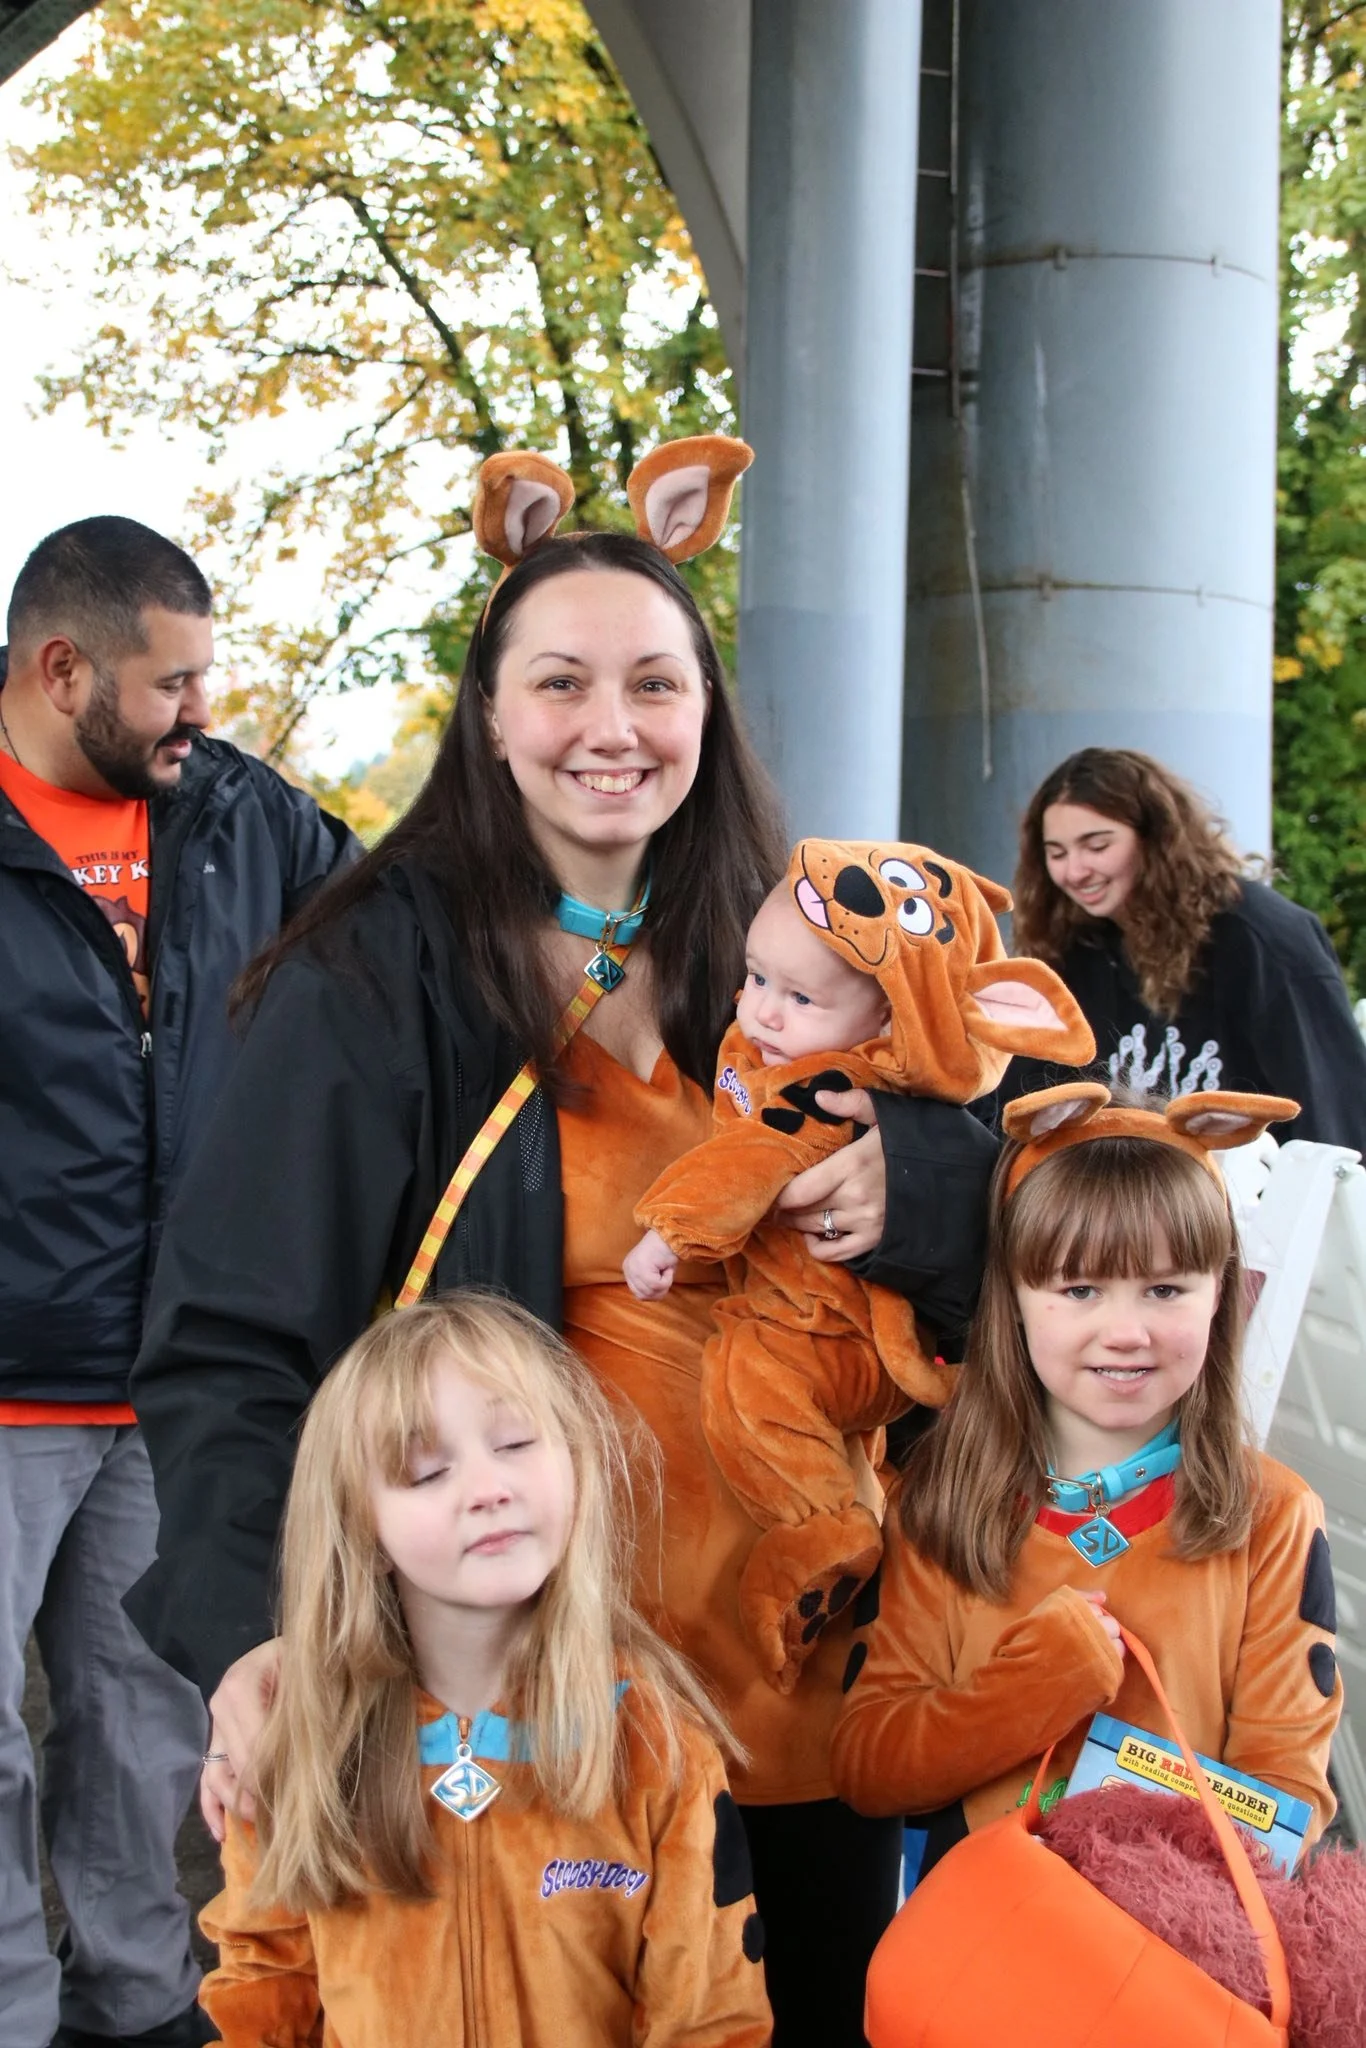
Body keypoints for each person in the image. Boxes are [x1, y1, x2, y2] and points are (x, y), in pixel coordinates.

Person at [127, 437, 998, 2046]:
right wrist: (257, 1639)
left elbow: (1002, 1173)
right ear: (490, 713)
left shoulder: (807, 943)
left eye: (656, 686)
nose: (612, 729)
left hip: (802, 1700)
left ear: (706, 710)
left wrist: (923, 1176)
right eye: (561, 684)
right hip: (533, 1722)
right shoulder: (369, 979)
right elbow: (231, 1346)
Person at [0, 515, 355, 2048]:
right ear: (61, 668)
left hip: (166, 1378)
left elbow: (418, 930)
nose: (198, 711)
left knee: (147, 1735)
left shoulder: (241, 818)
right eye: (172, 683)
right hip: (7, 1378)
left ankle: (142, 2012)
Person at [198, 1292, 772, 2047]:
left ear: (576, 1461)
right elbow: (262, 1992)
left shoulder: (658, 1743)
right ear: (359, 1524)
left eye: (516, 1444)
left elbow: (709, 2022)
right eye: (427, 1470)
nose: (489, 1489)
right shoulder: (297, 1740)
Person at [831, 1080, 1344, 1885]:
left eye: (1167, 1288)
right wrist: (1032, 1691)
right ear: (1015, 1301)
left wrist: (1120, 1839)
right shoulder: (939, 1502)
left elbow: (1289, 1800)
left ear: (1225, 1295)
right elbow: (868, 1765)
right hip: (975, 1955)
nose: (1127, 1331)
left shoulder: (1274, 1516)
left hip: (1176, 1969)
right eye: (1079, 1290)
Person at [625, 838, 1092, 1691]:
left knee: (751, 1387)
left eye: (799, 997)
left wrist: (668, 1234)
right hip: (853, 1347)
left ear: (888, 1022)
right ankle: (849, 1502)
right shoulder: (777, 1043)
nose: (761, 1012)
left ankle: (823, 1530)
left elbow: (742, 1168)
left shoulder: (820, 1088)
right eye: (755, 979)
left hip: (811, 1325)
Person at [1006, 746, 1366, 1150]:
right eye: (1057, 853)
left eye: (1097, 846)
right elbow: (1012, 1107)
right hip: (1116, 1200)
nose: (1074, 871)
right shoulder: (1070, 947)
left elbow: (1335, 1115)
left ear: (1156, 838)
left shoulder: (1265, 938)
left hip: (1252, 1200)